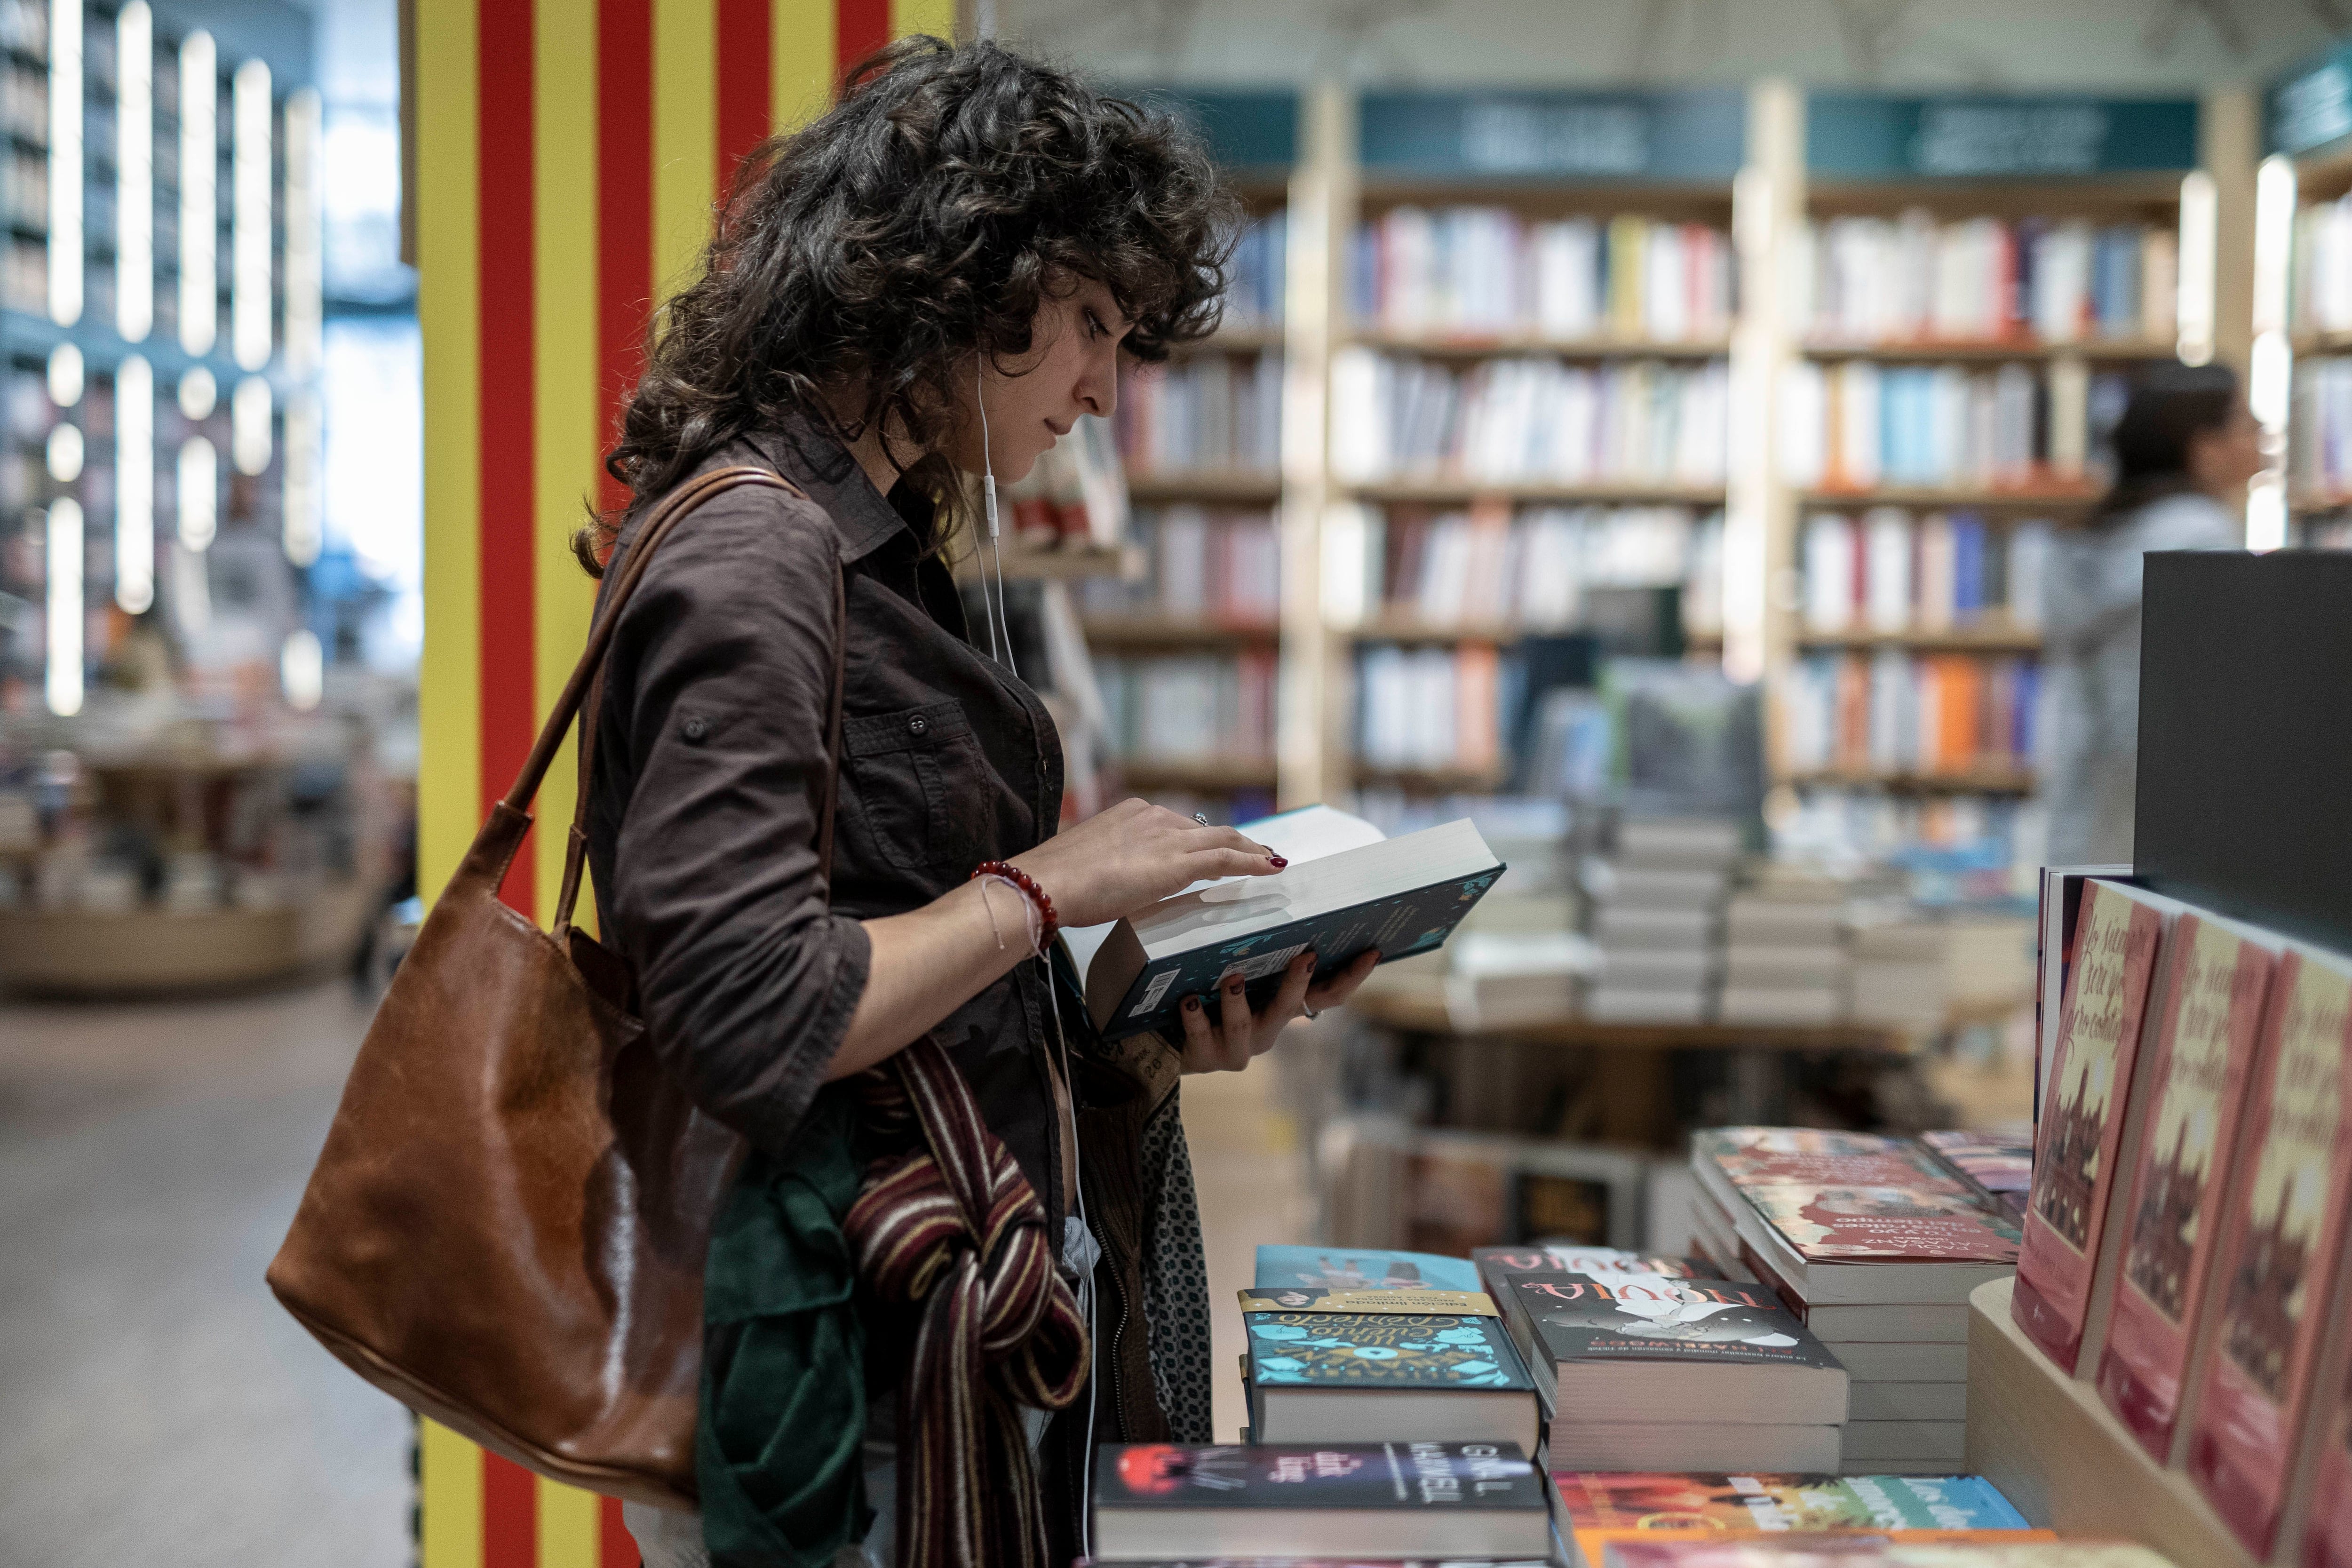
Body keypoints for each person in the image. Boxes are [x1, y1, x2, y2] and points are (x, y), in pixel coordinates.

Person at [573, 37, 1379, 1568]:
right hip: (841, 1366)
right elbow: (753, 1016)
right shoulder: (762, 559)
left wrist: (1149, 1019)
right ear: (954, 279)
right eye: (1087, 321)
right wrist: (1044, 888)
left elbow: (889, 943)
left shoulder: (866, 540)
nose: (1100, 383)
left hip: (924, 1322)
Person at [2043, 363, 2260, 866]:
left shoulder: (2091, 540)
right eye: (2246, 425)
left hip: (2089, 785)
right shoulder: (2205, 541)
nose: (2260, 440)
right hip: (2173, 800)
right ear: (2203, 448)